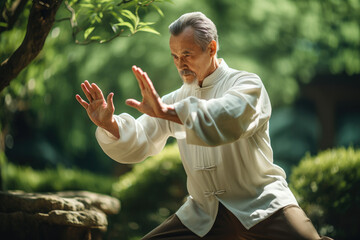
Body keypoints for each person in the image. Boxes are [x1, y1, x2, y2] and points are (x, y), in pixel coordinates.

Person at [76, 12, 332, 240]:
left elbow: (228, 116)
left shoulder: (247, 84)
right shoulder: (177, 98)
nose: (180, 64)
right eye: (175, 56)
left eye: (187, 55)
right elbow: (142, 134)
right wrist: (110, 124)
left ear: (212, 47)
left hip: (261, 204)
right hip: (202, 214)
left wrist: (168, 112)